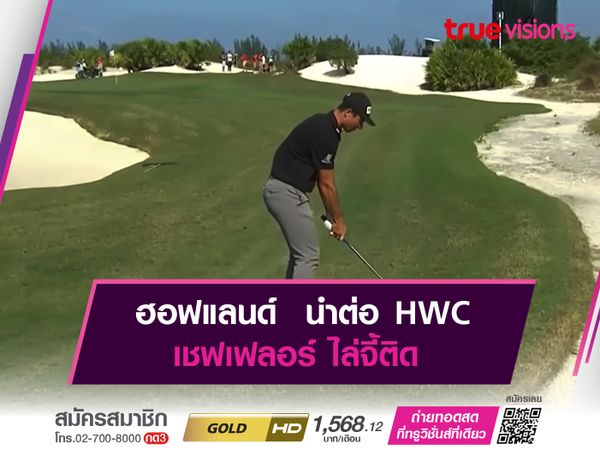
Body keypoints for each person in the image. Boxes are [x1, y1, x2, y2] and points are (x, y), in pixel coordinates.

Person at [263, 92, 375, 279]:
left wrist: (331, 214)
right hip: (286, 193)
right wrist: (339, 220)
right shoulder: (326, 132)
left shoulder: (325, 126)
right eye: (360, 120)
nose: (360, 126)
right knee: (308, 256)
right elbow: (326, 183)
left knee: (300, 255)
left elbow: (323, 182)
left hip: (282, 191)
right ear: (348, 113)